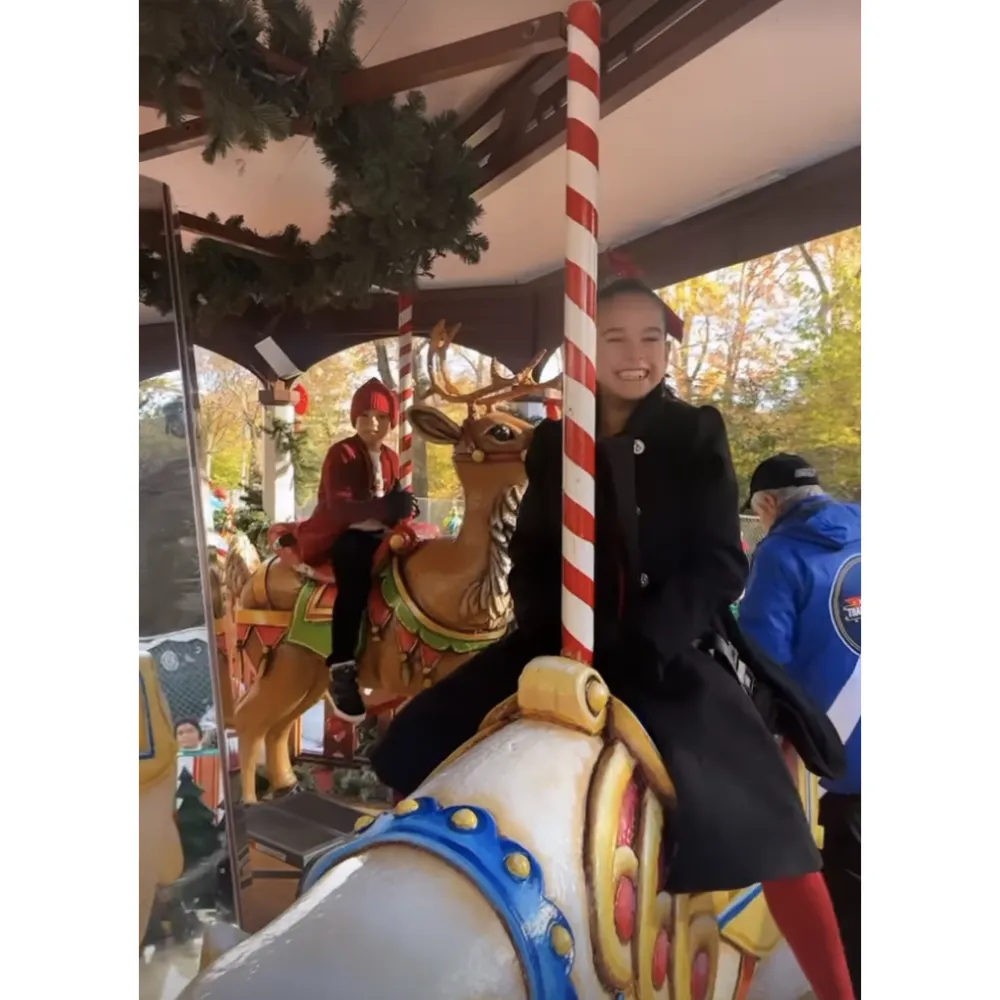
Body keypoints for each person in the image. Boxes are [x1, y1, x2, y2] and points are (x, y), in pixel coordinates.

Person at [371, 278, 855, 1000]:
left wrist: (649, 641)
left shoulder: (696, 433)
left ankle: (837, 985)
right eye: (616, 338)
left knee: (766, 816)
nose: (637, 355)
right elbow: (533, 554)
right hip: (564, 643)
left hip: (673, 646)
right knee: (414, 742)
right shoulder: (558, 446)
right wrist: (545, 631)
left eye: (651, 338)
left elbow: (719, 562)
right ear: (586, 350)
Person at [740, 454, 862, 997]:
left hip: (847, 750)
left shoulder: (780, 555)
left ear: (766, 506)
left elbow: (766, 657)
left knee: (853, 881)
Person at [277, 378, 418, 723]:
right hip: (345, 534)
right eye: (367, 416)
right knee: (354, 583)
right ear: (355, 419)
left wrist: (403, 507)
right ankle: (342, 664)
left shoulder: (390, 457)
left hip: (383, 535)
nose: (374, 423)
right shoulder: (342, 453)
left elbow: (392, 501)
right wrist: (385, 506)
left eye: (382, 418)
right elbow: (339, 508)